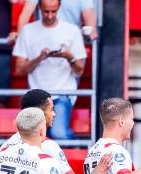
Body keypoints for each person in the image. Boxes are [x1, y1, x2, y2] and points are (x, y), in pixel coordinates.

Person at [13, 0, 86, 140]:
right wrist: (39, 58)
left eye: (53, 11)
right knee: (36, 138)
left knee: (58, 134)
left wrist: (68, 57)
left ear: (59, 8)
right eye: (46, 11)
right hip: (36, 95)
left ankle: (75, 144)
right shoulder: (28, 31)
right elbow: (20, 69)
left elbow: (80, 70)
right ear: (39, 8)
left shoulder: (72, 30)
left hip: (63, 93)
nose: (50, 15)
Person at [16, 0, 98, 40]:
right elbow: (25, 16)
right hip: (43, 43)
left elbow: (89, 15)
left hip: (70, 42)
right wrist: (21, 40)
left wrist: (91, 30)